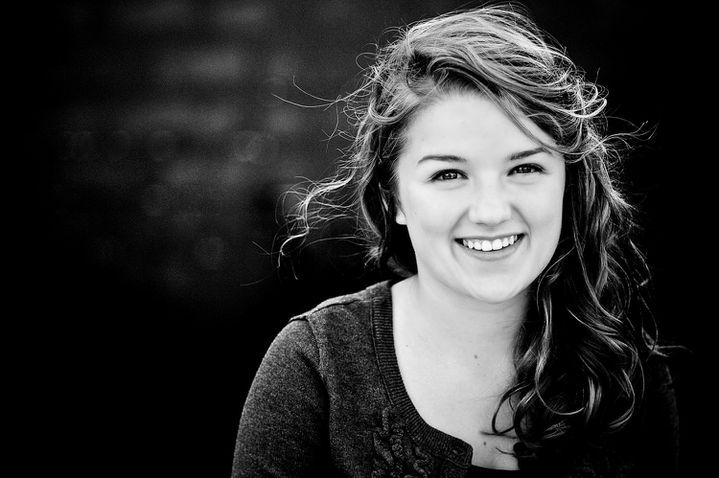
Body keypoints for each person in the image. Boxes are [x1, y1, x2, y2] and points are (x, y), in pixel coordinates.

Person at [232, 4, 681, 477]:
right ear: (393, 198)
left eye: (525, 168)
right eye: (449, 174)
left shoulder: (629, 374)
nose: (491, 211)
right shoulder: (316, 367)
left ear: (568, 183)